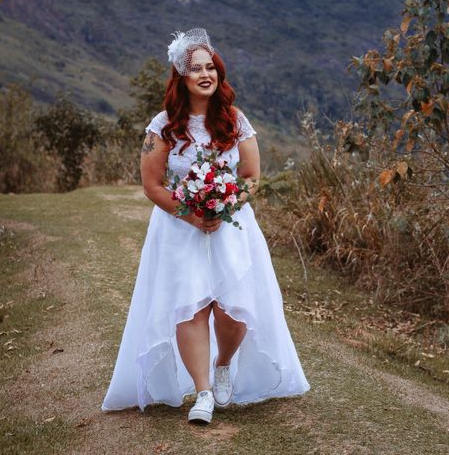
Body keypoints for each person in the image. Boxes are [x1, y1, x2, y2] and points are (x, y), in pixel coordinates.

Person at [100, 28, 310, 424]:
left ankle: (224, 363)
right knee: (190, 308)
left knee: (232, 309)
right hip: (180, 229)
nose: (205, 74)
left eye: (210, 67)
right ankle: (202, 393)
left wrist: (226, 202)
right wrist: (191, 213)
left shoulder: (235, 121)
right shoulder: (162, 127)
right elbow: (151, 183)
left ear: (219, 74)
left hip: (231, 227)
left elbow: (251, 176)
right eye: (195, 68)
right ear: (181, 77)